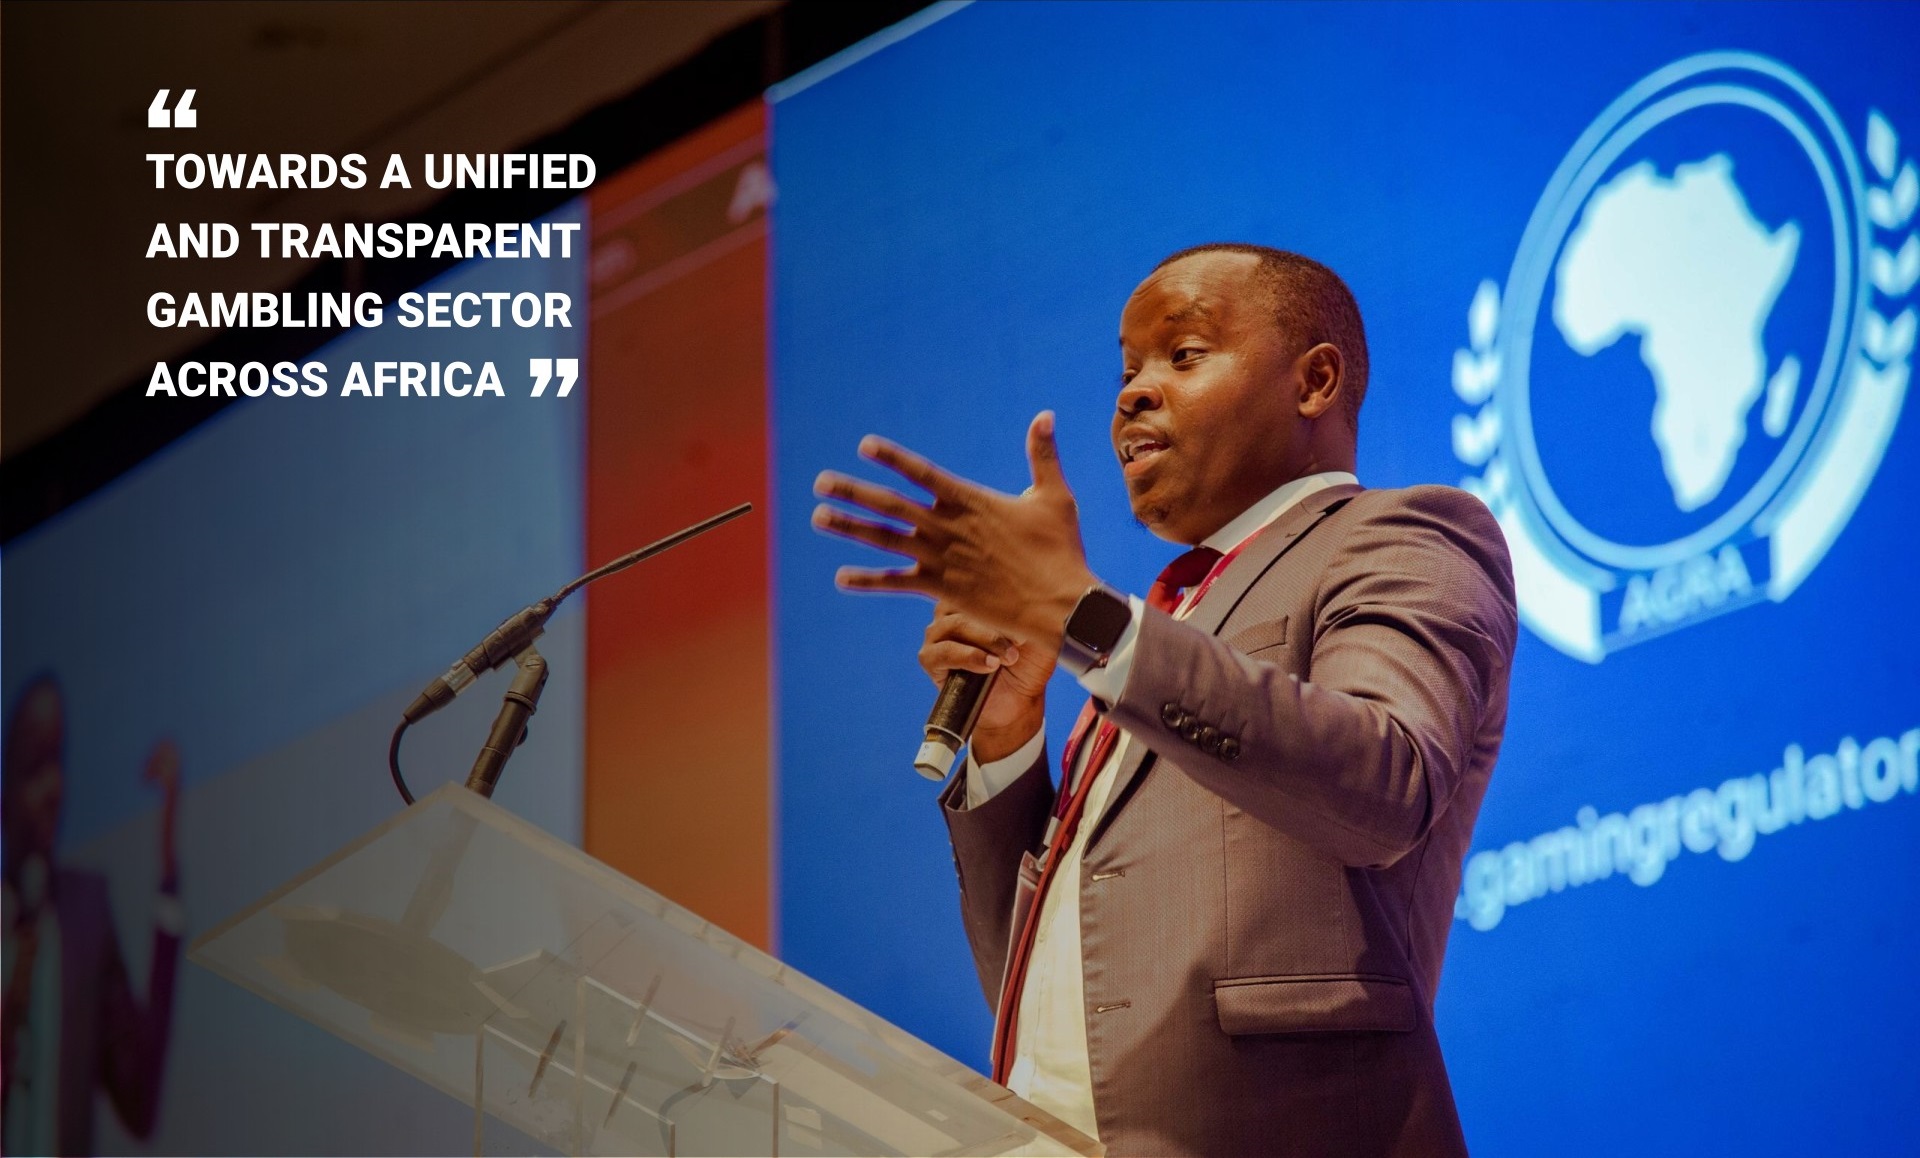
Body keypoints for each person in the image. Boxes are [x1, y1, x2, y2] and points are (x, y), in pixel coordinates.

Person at [811, 243, 1516, 1155]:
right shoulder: (1161, 624)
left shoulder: (1400, 534)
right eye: (1127, 371)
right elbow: (1048, 986)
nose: (1133, 394)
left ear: (1314, 382)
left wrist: (1081, 616)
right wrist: (1007, 738)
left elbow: (1386, 782)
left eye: (1183, 355)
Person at [2, 675, 184, 1156]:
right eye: (33, 766)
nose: (51, 788)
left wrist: (168, 865)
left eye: (56, 762)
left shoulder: (87, 914)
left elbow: (139, 1101)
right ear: (3, 797)